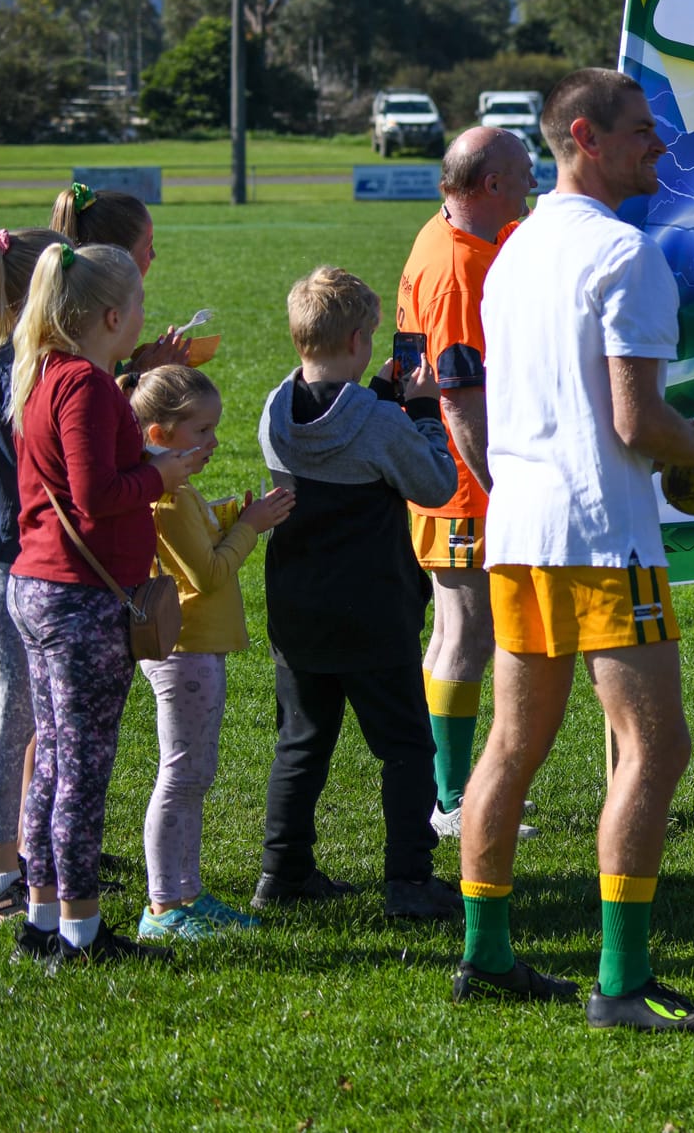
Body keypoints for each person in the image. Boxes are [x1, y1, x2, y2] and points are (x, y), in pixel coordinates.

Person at [454, 68, 694, 1030]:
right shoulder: (627, 255)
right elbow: (636, 421)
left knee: (513, 743)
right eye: (640, 133)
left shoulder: (511, 254)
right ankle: (621, 986)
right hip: (600, 535)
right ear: (583, 135)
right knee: (655, 744)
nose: (658, 150)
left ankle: (487, 956)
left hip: (517, 531)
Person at [8, 242, 206, 966]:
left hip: (38, 586)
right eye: (141, 309)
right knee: (82, 768)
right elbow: (95, 499)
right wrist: (163, 474)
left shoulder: (44, 371)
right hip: (79, 598)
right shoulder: (86, 386)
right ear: (114, 315)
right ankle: (82, 930)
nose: (146, 319)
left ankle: (41, 914)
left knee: (57, 758)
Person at [254, 266, 461, 920]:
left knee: (302, 742)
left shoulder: (273, 408)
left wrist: (378, 396)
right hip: (372, 608)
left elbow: (334, 430)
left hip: (297, 605)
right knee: (404, 746)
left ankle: (280, 871)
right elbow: (433, 483)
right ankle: (408, 879)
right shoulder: (379, 421)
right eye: (370, 337)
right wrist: (423, 408)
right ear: (351, 339)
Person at [395, 127, 539, 842]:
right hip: (459, 481)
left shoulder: (464, 234)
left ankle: (453, 785)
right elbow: (457, 399)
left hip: (451, 473)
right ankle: (451, 798)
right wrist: (499, 488)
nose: (534, 178)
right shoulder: (456, 268)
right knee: (463, 632)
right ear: (488, 186)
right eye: (523, 171)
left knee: (459, 633)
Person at [124, 366, 294, 939]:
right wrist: (250, 525)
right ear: (161, 432)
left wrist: (223, 516)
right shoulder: (167, 498)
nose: (214, 441)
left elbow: (193, 541)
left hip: (194, 649)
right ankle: (165, 906)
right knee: (181, 775)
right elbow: (209, 571)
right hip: (185, 651)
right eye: (203, 429)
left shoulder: (173, 488)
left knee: (192, 774)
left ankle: (186, 895)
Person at [0, 228, 61, 922]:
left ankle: (19, 859)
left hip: (5, 555)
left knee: (23, 710)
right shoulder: (12, 371)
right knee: (13, 709)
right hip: (6, 560)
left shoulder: (14, 360)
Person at [49, 183, 190, 371]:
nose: (154, 256)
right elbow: (96, 394)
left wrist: (137, 370)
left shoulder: (73, 313)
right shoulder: (88, 331)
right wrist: (140, 377)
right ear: (119, 259)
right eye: (148, 247)